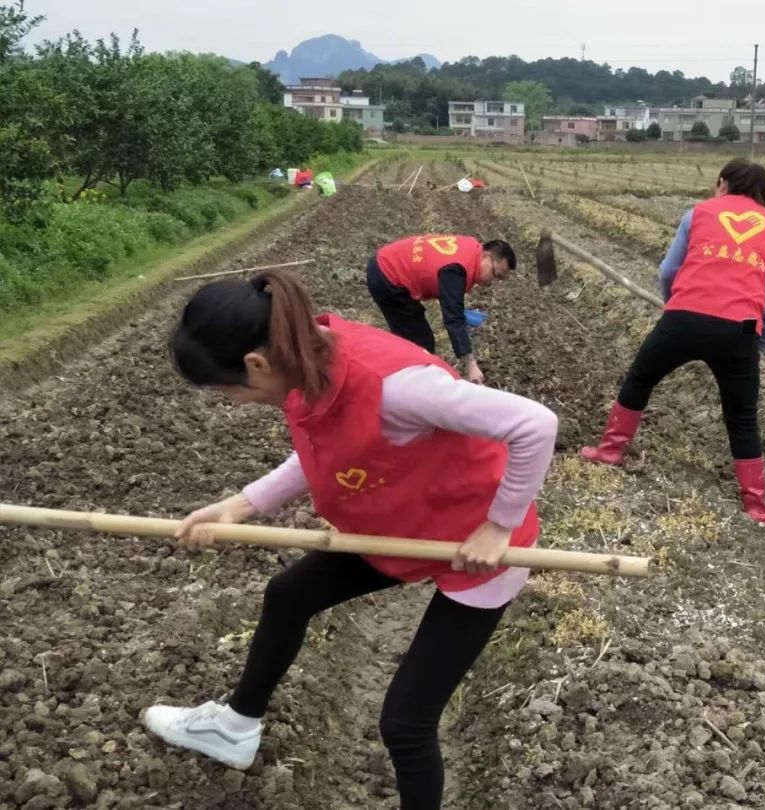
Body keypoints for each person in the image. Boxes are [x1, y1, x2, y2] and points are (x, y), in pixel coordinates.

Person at [145, 270, 557, 810]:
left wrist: (500, 524)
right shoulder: (304, 363)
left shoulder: (394, 385)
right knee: (288, 596)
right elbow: (326, 452)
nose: (231, 402)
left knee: (405, 721)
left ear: (255, 364)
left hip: (478, 549)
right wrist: (241, 505)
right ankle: (234, 727)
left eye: (226, 391)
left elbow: (535, 424)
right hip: (398, 522)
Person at [579, 158, 765, 528]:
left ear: (723, 183)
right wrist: (761, 340)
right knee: (742, 416)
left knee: (641, 379)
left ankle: (610, 451)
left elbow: (667, 271)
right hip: (740, 329)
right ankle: (756, 506)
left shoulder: (699, 213)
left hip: (684, 316)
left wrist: (674, 304)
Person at [366, 235, 516, 385]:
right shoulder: (456, 269)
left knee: (416, 342)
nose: (493, 281)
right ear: (486, 256)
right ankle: (399, 384)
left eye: (499, 279)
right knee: (420, 346)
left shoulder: (471, 247)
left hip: (388, 261)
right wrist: (471, 364)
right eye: (496, 274)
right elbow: (453, 318)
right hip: (387, 275)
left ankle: (400, 378)